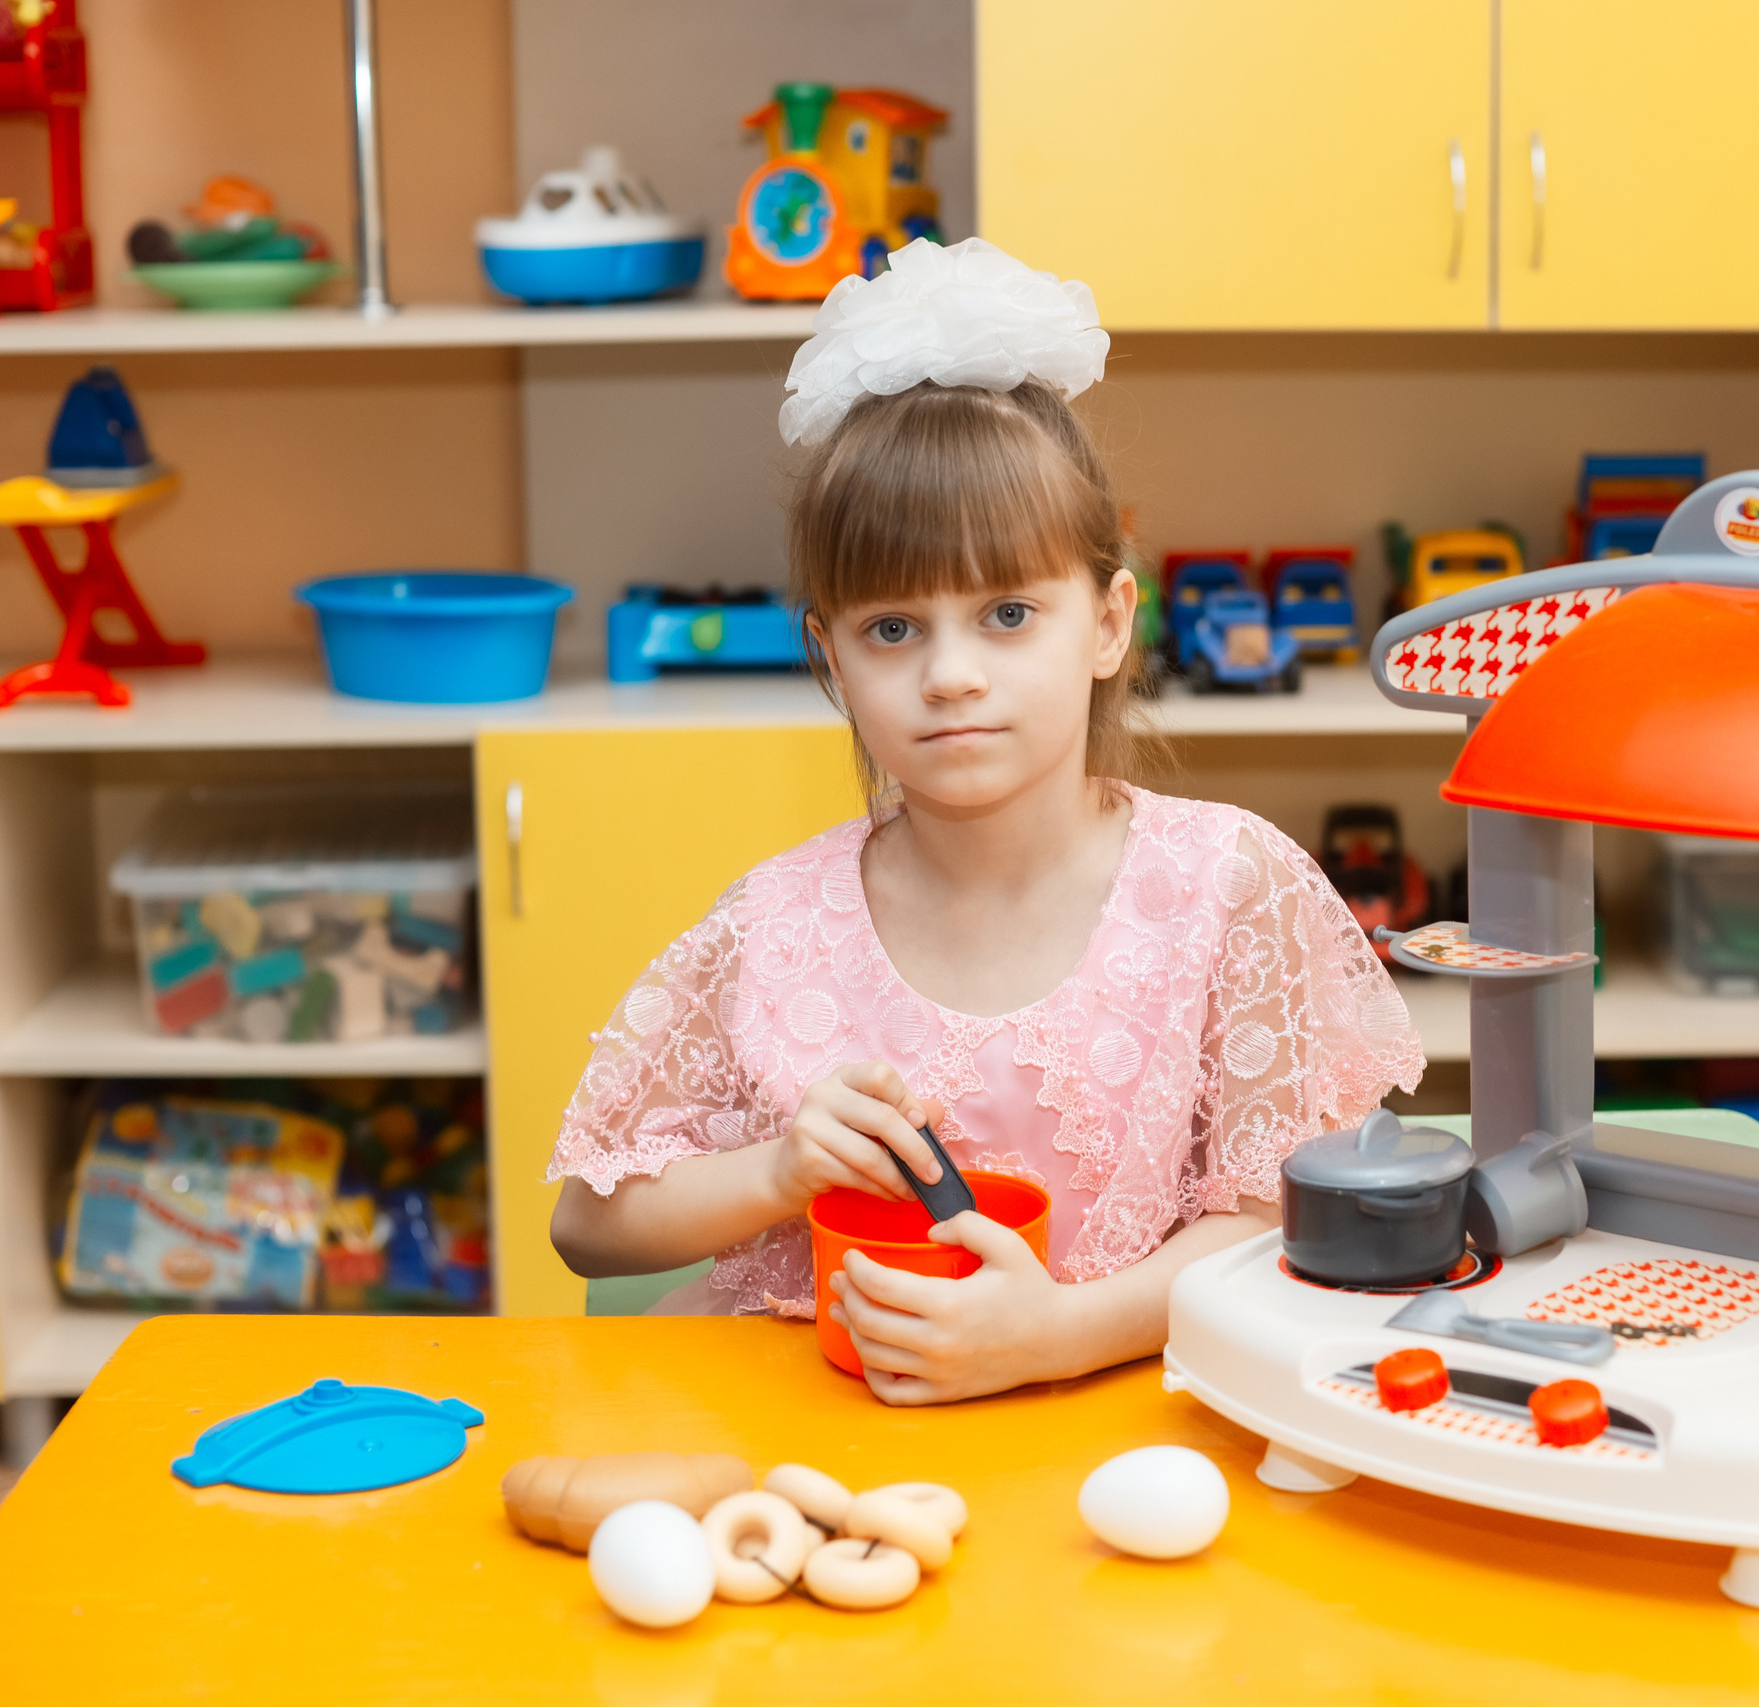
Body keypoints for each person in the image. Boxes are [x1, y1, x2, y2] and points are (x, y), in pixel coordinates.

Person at [547, 238, 1424, 1404]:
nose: (950, 675)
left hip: (1110, 1434)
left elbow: (1283, 1222)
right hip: (810, 1450)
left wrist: (1060, 1333)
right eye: (893, 630)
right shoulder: (776, 921)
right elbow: (588, 1228)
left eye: (1008, 613)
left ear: (1109, 623)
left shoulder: (1228, 887)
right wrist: (780, 1169)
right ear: (830, 657)